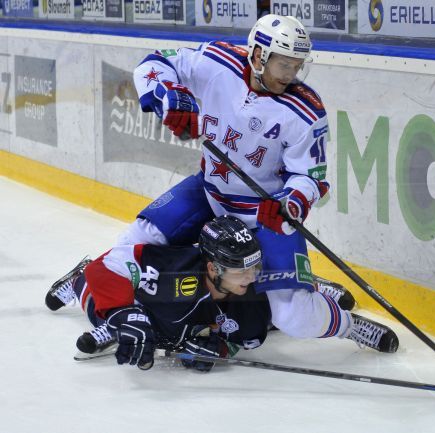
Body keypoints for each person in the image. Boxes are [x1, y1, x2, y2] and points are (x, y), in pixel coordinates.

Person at [122, 14, 399, 353]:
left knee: (293, 316)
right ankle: (117, 310)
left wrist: (291, 202)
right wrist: (170, 96)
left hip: (263, 213)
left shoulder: (305, 111)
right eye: (283, 65)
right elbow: (153, 64)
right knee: (136, 241)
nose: (290, 75)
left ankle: (347, 323)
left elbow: (310, 178)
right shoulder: (215, 61)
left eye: (297, 66)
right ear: (258, 55)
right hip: (209, 192)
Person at [45, 216, 272, 371]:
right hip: (146, 301)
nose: (251, 277)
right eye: (241, 271)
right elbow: (103, 267)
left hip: (181, 321)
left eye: (254, 267)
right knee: (110, 313)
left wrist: (218, 349)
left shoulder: (252, 303)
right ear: (213, 268)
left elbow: (239, 340)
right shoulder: (172, 267)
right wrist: (124, 314)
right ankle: (79, 281)